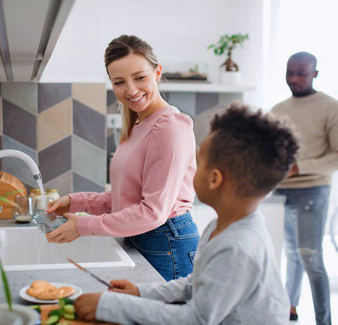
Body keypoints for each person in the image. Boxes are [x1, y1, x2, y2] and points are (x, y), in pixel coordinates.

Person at [71, 105, 297, 324]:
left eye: (199, 162)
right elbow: (196, 283)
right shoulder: (223, 226)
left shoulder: (237, 247)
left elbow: (196, 319)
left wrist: (111, 306)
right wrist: (141, 292)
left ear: (214, 179)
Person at [45, 35, 199, 281]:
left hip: (166, 240)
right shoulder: (138, 126)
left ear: (157, 72)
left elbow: (152, 212)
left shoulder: (169, 126)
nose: (131, 90)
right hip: (146, 236)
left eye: (140, 78)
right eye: (120, 82)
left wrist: (82, 226)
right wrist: (75, 202)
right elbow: (127, 197)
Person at [271, 52, 338, 325]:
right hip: (279, 192)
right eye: (289, 73)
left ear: (316, 74)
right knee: (290, 256)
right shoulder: (277, 109)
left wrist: (299, 167)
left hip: (312, 190)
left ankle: (324, 320)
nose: (294, 79)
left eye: (301, 73)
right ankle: (290, 308)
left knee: (311, 257)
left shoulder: (330, 107)